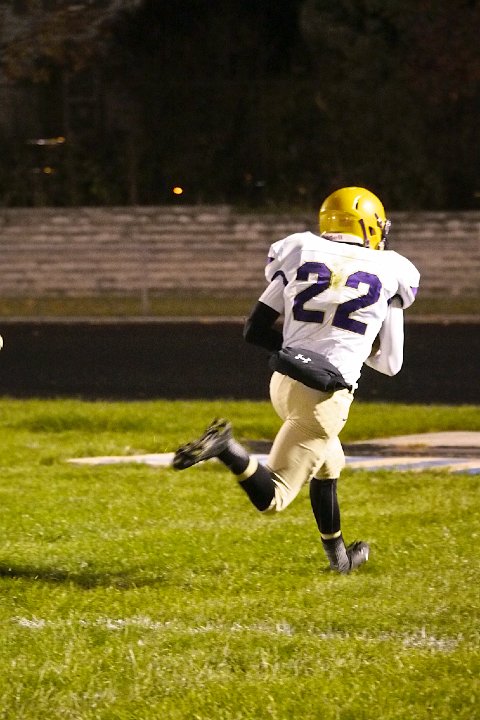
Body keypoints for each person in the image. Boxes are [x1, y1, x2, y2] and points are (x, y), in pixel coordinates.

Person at [172, 187, 420, 574]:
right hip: (323, 398)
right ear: (369, 226)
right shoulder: (391, 270)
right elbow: (390, 363)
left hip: (283, 383)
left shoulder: (302, 250)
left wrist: (302, 349)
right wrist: (350, 351)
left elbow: (255, 329)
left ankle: (340, 561)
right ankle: (227, 449)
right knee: (274, 498)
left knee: (329, 464)